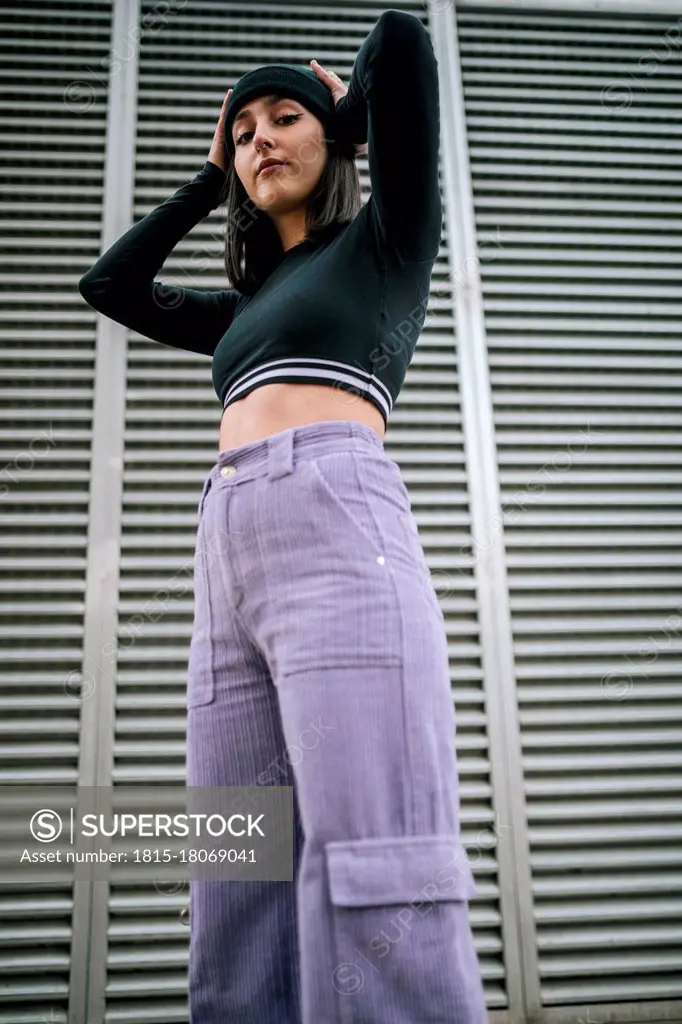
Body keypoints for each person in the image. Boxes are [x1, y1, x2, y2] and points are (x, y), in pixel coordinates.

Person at [79, 9, 488, 1023]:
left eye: (282, 118)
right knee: (236, 855)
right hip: (228, 544)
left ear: (335, 139)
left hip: (335, 516)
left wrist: (345, 109)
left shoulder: (384, 243)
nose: (262, 136)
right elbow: (111, 285)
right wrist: (209, 179)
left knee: (371, 845)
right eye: (245, 127)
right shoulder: (246, 305)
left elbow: (399, 40)